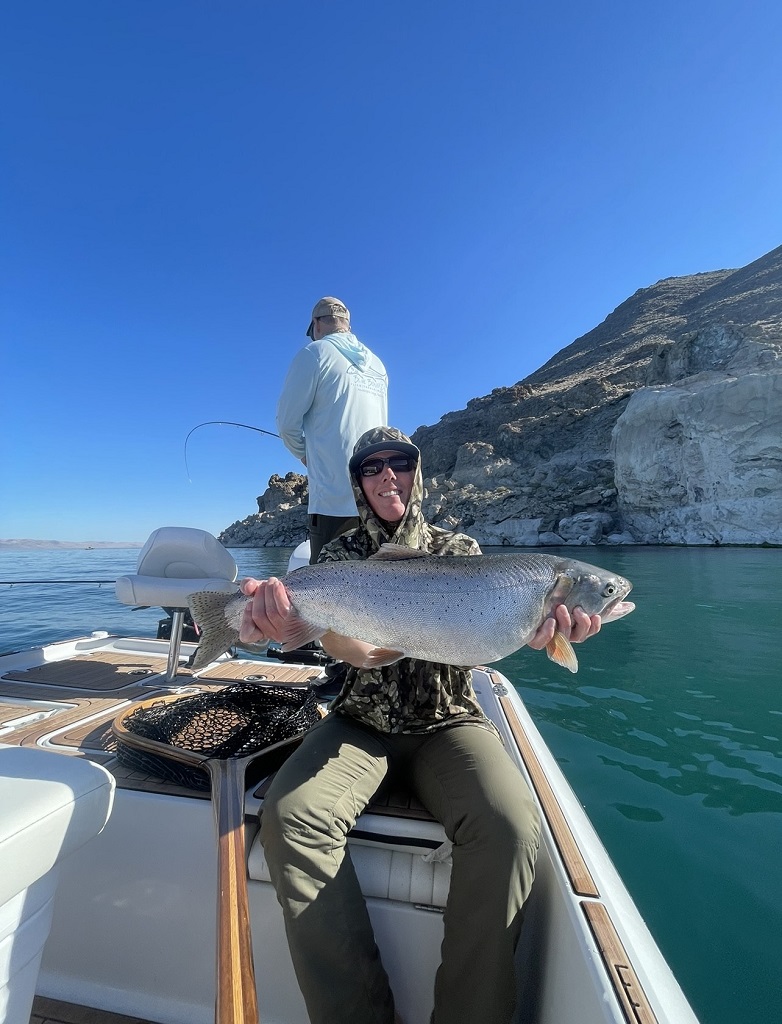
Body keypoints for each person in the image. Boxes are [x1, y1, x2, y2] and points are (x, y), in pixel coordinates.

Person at [239, 426, 602, 1024]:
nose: (388, 476)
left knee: (510, 825)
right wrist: (277, 626)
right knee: (291, 816)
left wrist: (546, 635)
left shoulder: (461, 551)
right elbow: (337, 643)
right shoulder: (340, 557)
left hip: (447, 721)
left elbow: (486, 635)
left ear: (417, 473)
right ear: (358, 483)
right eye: (372, 467)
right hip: (359, 723)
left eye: (401, 463)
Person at [276, 296, 389, 562]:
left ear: (316, 325)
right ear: (347, 325)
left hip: (332, 504)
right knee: (374, 582)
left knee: (327, 585)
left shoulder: (314, 353)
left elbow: (286, 424)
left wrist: (305, 455)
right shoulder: (378, 366)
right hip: (378, 499)